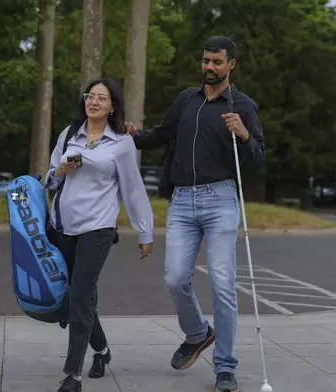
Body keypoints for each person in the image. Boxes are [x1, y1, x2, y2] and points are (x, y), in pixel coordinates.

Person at [127, 36, 265, 392]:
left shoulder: (243, 106)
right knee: (174, 278)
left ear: (231, 64)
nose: (209, 67)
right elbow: (161, 134)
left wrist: (245, 135)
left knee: (222, 284)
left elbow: (257, 161)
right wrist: (130, 138)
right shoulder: (187, 99)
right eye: (206, 60)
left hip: (221, 200)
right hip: (182, 201)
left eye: (217, 62)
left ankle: (225, 368)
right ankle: (198, 333)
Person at [45, 77, 154, 392]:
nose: (93, 102)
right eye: (90, 96)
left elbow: (133, 190)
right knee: (76, 296)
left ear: (112, 107)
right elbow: (50, 181)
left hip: (99, 227)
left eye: (101, 98)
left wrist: (145, 232)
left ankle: (72, 376)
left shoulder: (121, 143)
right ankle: (102, 350)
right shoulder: (69, 135)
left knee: (81, 293)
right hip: (63, 225)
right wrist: (58, 173)